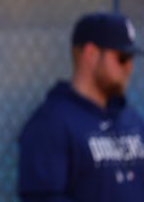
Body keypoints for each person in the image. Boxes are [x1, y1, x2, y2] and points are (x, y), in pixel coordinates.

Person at [18, 11, 144, 202]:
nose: (129, 67)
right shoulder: (52, 123)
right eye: (122, 58)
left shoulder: (131, 119)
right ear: (91, 54)